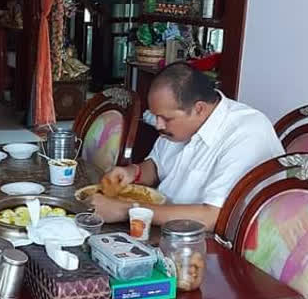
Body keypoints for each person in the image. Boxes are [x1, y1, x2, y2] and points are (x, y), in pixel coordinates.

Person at [92, 62, 284, 230]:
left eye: (166, 118)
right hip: (168, 227)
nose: (158, 125)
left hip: (216, 244)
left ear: (199, 109)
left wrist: (127, 211)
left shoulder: (246, 134)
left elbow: (211, 217)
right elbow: (157, 167)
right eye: (156, 116)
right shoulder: (178, 127)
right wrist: (133, 173)